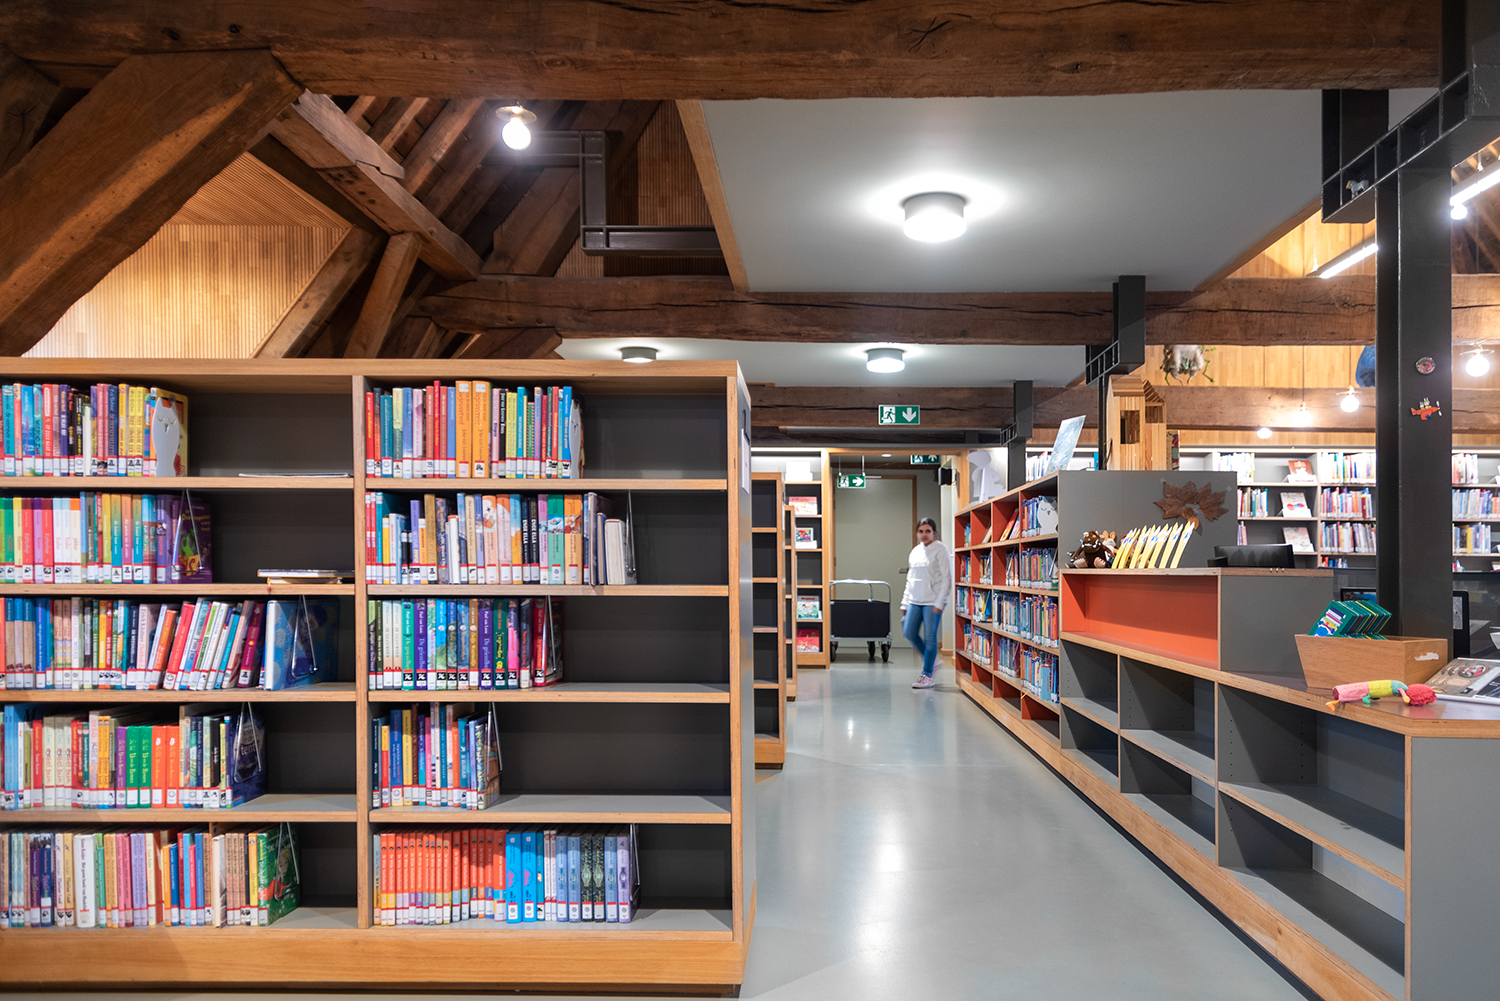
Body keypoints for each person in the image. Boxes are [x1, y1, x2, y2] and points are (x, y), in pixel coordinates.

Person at [901, 517, 951, 689]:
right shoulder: (915, 551)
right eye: (921, 531)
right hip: (915, 600)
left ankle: (927, 674)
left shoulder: (941, 550)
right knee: (908, 632)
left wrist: (940, 602)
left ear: (934, 533)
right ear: (917, 533)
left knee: (930, 638)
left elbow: (947, 578)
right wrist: (905, 602)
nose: (924, 534)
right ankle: (933, 661)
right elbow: (911, 579)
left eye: (927, 531)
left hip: (932, 602)